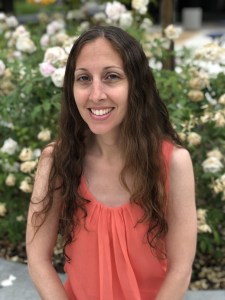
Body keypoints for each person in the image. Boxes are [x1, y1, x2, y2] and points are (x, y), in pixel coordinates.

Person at [26, 25, 197, 300]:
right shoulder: (56, 161)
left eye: (111, 77)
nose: (96, 94)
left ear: (136, 85)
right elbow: (37, 259)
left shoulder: (174, 163)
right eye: (83, 78)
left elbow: (180, 270)